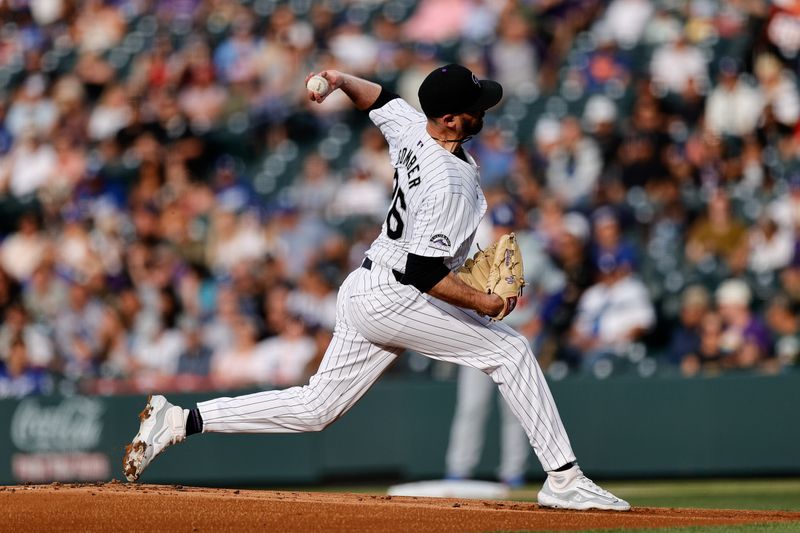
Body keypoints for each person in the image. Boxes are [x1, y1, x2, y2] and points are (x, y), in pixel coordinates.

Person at [122, 64, 630, 511]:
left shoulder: (415, 128)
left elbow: (380, 99)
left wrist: (341, 80)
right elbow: (423, 273)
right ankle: (564, 479)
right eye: (474, 107)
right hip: (397, 293)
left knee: (316, 408)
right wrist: (486, 301)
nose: (483, 111)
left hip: (367, 286)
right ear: (451, 119)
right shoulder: (449, 180)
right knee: (511, 349)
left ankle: (182, 420)